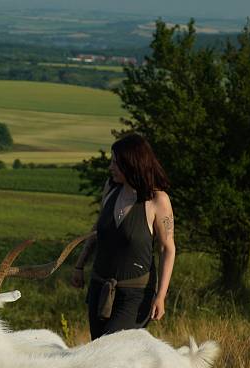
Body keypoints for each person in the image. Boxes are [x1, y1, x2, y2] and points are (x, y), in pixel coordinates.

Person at [71, 133, 175, 339]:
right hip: (100, 289)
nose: (111, 168)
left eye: (116, 163)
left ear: (132, 164)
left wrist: (161, 296)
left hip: (135, 296)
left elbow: (167, 249)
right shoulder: (110, 188)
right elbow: (97, 231)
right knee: (98, 352)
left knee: (109, 351)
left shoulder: (157, 200)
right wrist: (79, 265)